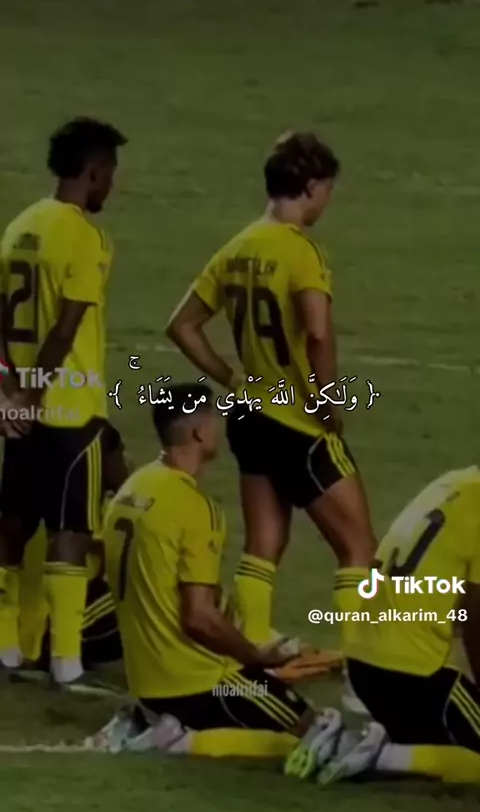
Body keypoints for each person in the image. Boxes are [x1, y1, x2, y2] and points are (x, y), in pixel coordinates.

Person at [165, 131, 377, 649]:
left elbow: (182, 326)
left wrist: (231, 379)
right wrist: (328, 401)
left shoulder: (237, 249)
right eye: (328, 189)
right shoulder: (301, 252)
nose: (328, 200)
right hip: (297, 419)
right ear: (311, 186)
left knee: (263, 544)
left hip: (249, 415)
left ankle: (254, 644)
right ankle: (364, 667)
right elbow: (318, 333)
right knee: (358, 548)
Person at [104, 383, 314, 755]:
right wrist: (255, 657)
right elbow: (198, 618)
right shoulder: (194, 505)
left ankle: (158, 725)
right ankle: (179, 740)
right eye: (214, 420)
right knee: (314, 732)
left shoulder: (133, 488)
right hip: (197, 681)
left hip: (146, 682)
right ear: (199, 433)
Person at [0, 117, 127, 690]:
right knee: (70, 532)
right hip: (70, 410)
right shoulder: (85, 237)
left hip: (19, 414)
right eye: (109, 174)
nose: (111, 186)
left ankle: (7, 648)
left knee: (11, 527)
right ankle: (67, 662)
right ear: (93, 171)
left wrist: (9, 395)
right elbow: (65, 327)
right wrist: (32, 396)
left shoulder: (19, 228)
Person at [285, 466, 480, 785]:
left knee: (443, 742)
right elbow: (475, 618)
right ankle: (379, 756)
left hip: (364, 666)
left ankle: (344, 742)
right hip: (417, 676)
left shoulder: (452, 485)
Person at [14, 421, 131, 681]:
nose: (127, 464)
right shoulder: (82, 509)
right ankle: (60, 656)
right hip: (45, 629)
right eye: (121, 455)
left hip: (20, 623)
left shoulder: (41, 490)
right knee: (145, 594)